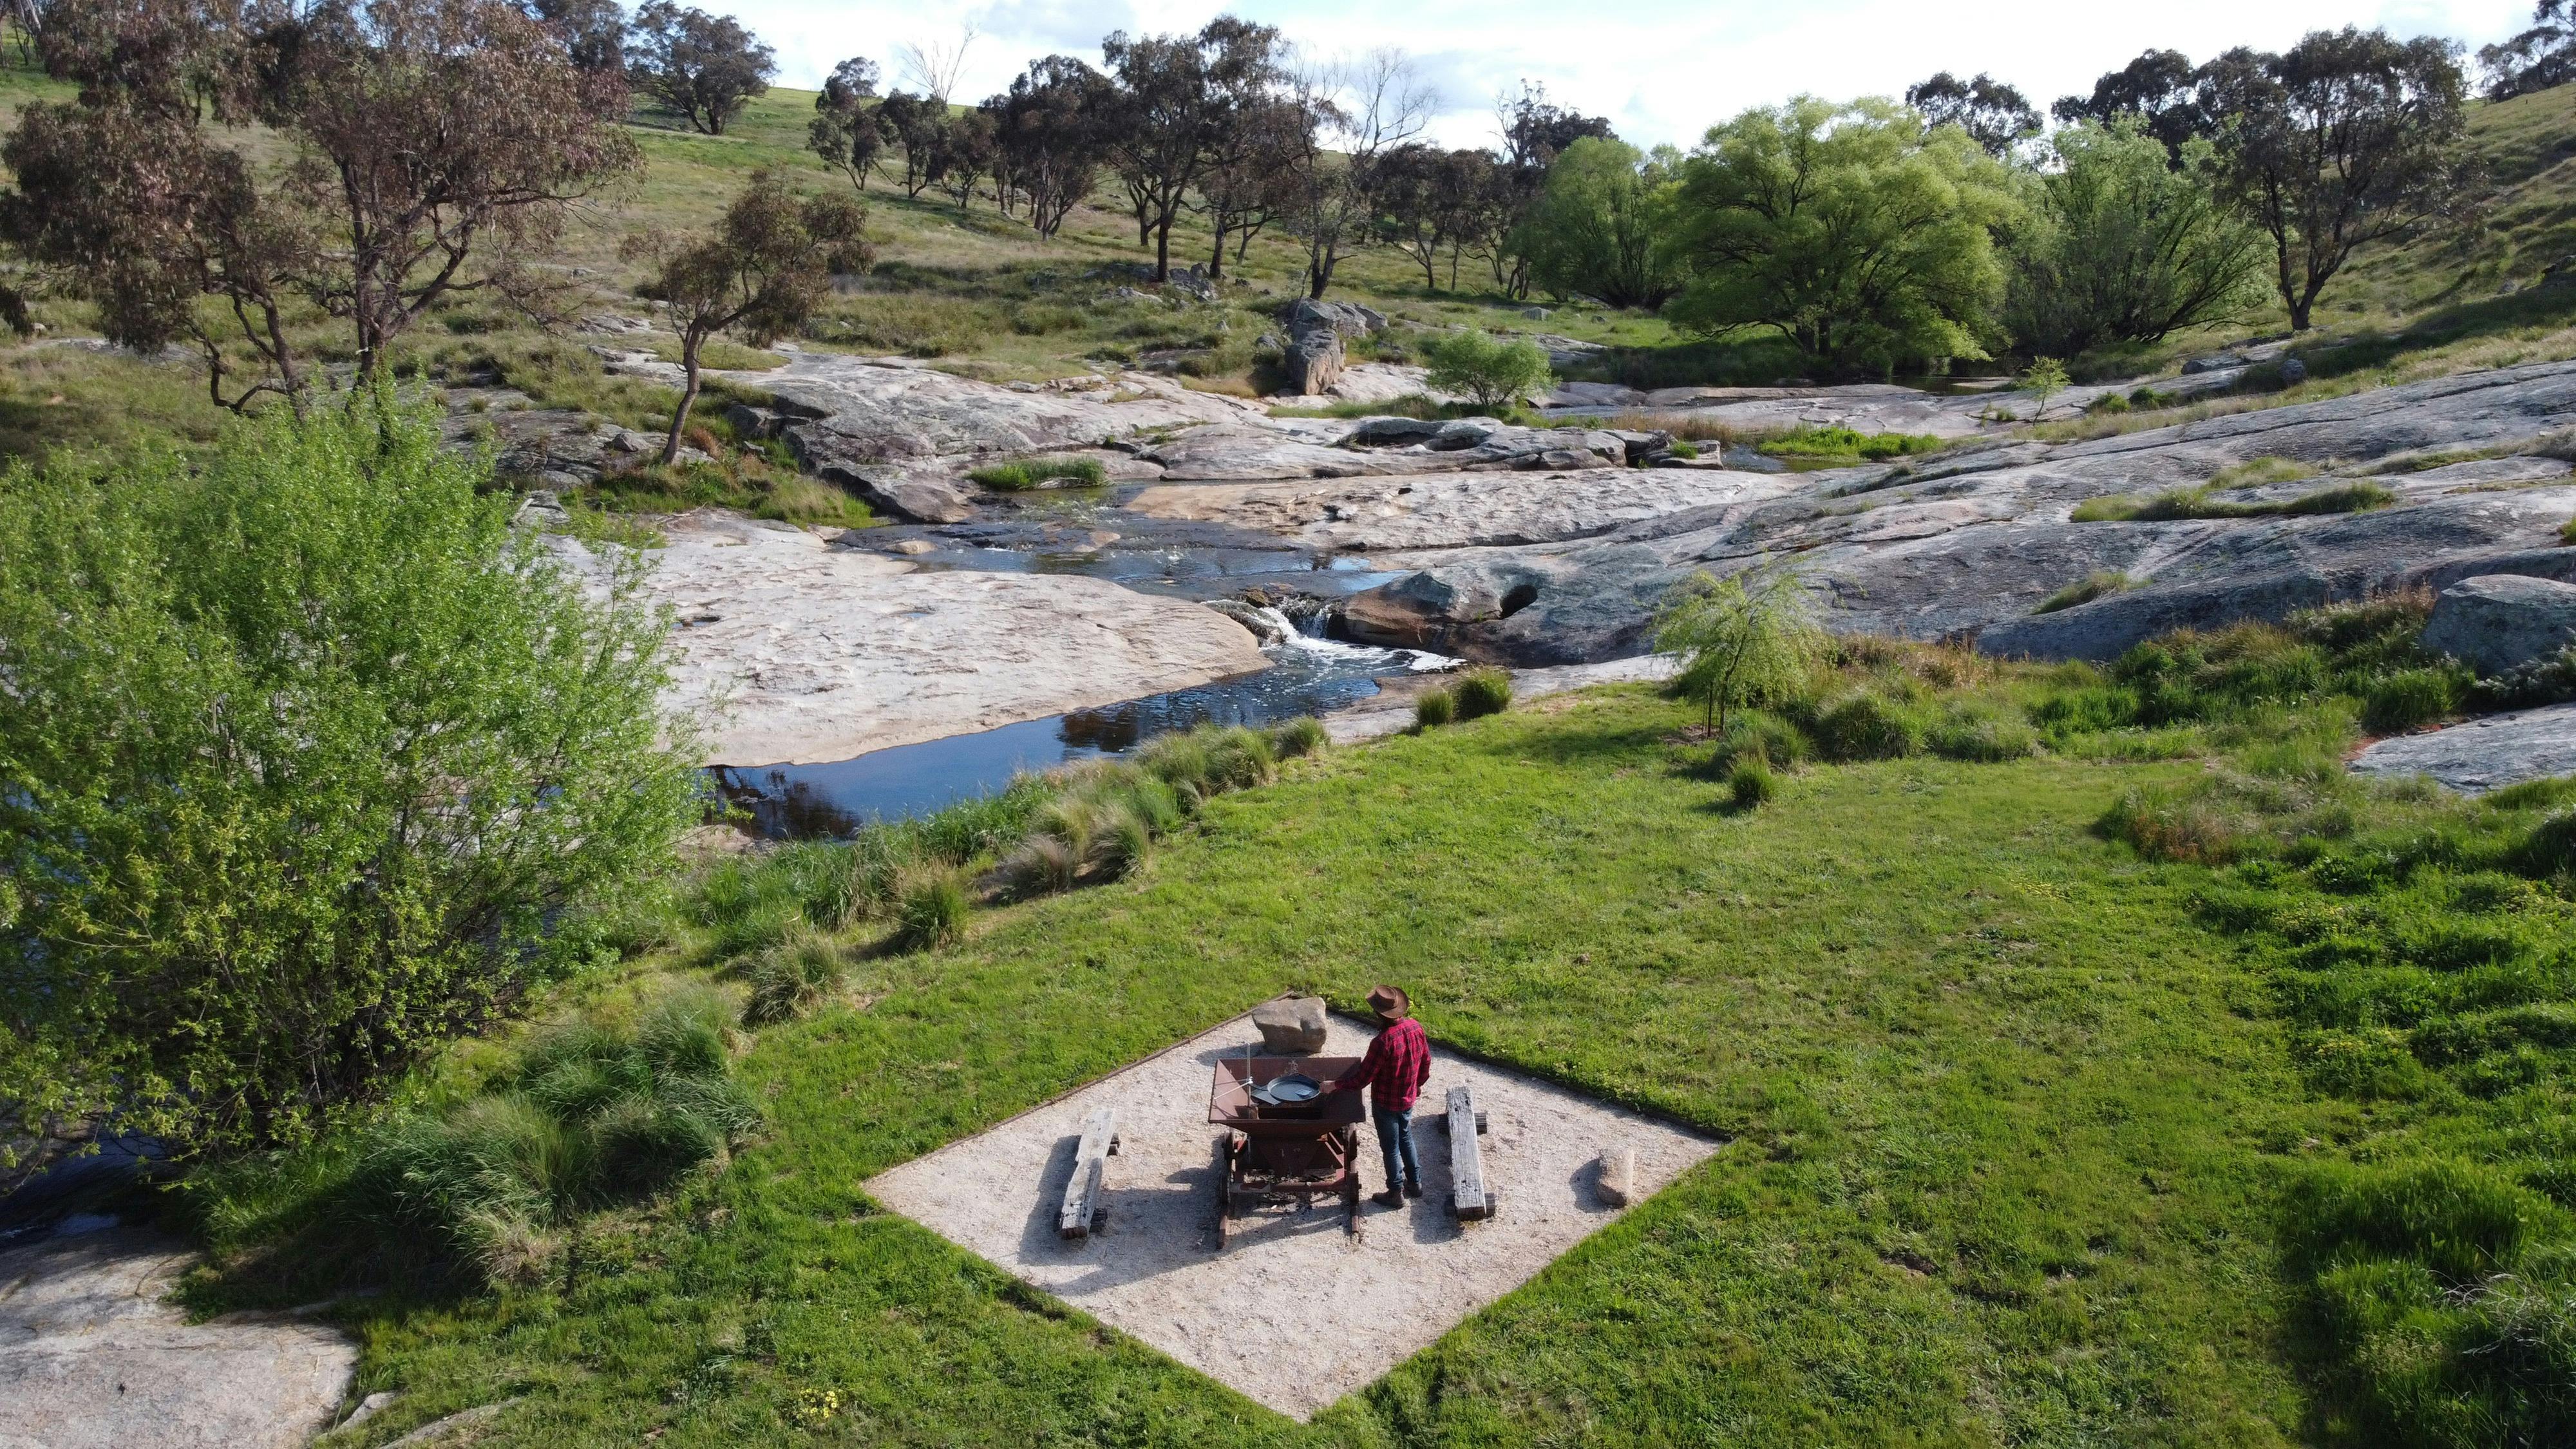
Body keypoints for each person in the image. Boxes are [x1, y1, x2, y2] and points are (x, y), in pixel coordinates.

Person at [1331, 984, 1430, 1208]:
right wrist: (1418, 1085)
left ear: (1378, 1014)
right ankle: (1415, 1183)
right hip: (1407, 1098)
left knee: (1390, 1147)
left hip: (1385, 1104)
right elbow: (1426, 1062)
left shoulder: (1382, 1043)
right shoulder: (1416, 1028)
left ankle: (1395, 1192)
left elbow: (1362, 1080)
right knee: (1406, 1136)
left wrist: (1335, 1086)